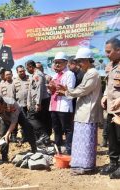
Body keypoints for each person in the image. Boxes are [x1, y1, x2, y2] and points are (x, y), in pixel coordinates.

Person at [57, 47, 103, 175]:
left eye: (81, 61)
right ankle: (80, 165)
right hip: (83, 111)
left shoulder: (92, 73)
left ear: (88, 60)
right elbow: (81, 89)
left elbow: (83, 90)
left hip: (88, 112)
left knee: (86, 141)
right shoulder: (89, 73)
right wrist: (67, 91)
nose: (79, 64)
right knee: (80, 141)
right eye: (78, 62)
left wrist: (67, 91)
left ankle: (85, 167)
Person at [47, 52, 76, 155]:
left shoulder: (70, 74)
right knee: (56, 129)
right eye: (55, 62)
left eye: (59, 62)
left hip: (64, 106)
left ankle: (70, 150)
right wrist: (50, 89)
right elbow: (52, 92)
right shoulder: (54, 75)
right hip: (54, 106)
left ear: (66, 62)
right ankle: (58, 149)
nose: (57, 65)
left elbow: (71, 92)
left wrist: (62, 90)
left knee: (67, 129)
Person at [0, 96, 37, 162]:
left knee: (27, 127)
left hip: (18, 114)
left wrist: (8, 134)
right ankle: (4, 158)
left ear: (3, 104)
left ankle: (34, 148)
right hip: (4, 118)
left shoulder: (12, 104)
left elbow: (14, 122)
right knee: (3, 135)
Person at [100, 38, 120, 179]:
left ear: (118, 50)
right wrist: (105, 96)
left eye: (109, 51)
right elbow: (109, 85)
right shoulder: (110, 65)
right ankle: (114, 163)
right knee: (112, 138)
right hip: (111, 109)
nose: (106, 54)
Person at [25, 60, 51, 145]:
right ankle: (44, 139)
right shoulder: (34, 75)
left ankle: (44, 135)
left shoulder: (38, 74)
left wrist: (38, 103)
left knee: (30, 118)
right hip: (37, 100)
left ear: (30, 67)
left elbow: (39, 89)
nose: (27, 70)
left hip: (40, 101)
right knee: (39, 120)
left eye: (27, 68)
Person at [13, 65, 30, 142]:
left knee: (31, 121)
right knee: (22, 122)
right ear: (17, 72)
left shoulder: (29, 79)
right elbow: (13, 94)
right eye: (20, 71)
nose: (22, 72)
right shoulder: (14, 81)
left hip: (29, 104)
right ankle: (24, 137)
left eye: (23, 71)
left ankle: (31, 136)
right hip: (20, 105)